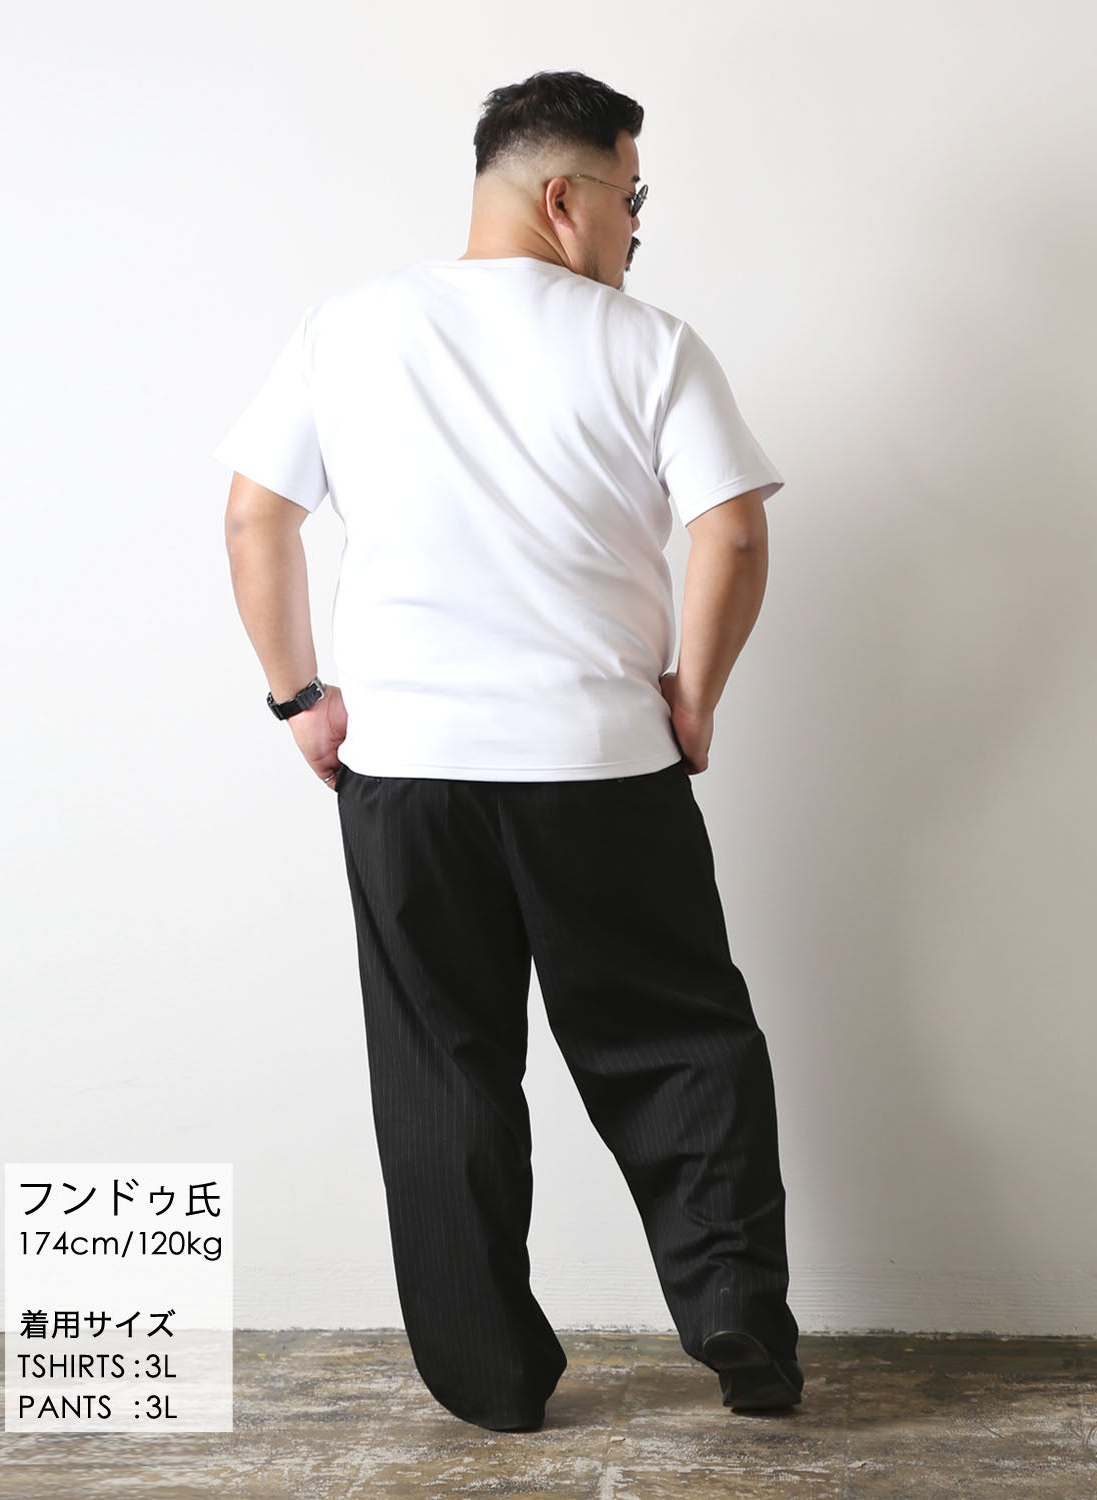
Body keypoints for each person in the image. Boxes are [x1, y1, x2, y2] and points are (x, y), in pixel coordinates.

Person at [214, 68, 804, 1433]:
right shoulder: (647, 343)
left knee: (445, 1066)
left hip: (407, 770)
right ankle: (734, 1314)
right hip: (602, 766)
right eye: (633, 194)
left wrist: (302, 700)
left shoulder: (349, 327)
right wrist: (696, 698)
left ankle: (490, 1380)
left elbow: (254, 516)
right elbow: (733, 530)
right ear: (565, 196)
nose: (639, 226)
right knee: (680, 1039)